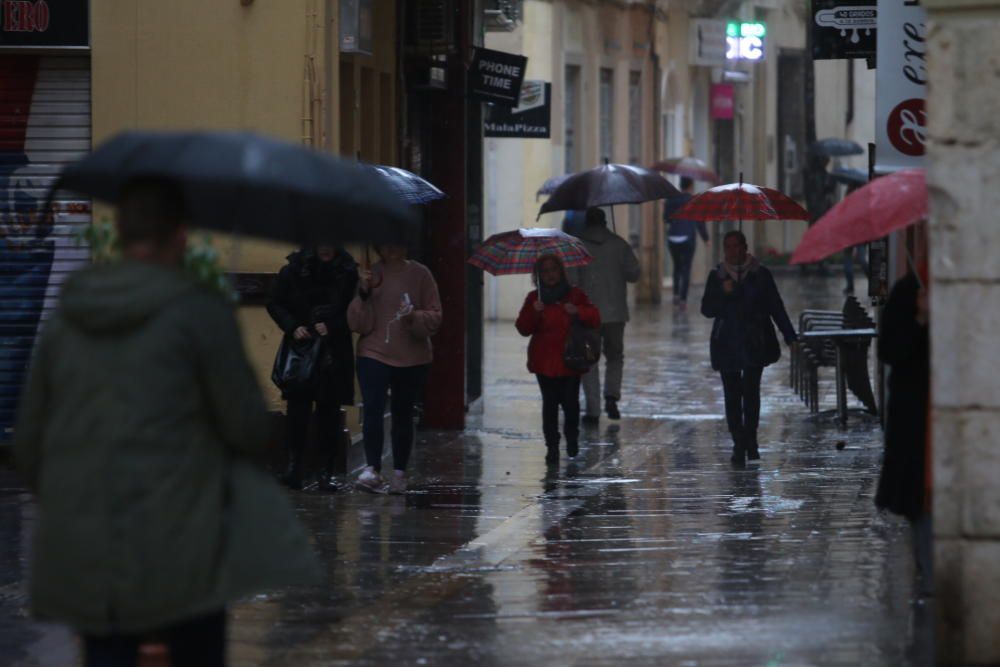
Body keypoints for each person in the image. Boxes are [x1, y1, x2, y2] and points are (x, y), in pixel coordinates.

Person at [12, 179, 319, 667]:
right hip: (184, 548)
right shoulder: (199, 312)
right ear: (179, 236)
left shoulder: (68, 318)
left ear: (116, 234)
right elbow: (245, 427)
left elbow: (28, 445)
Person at [348, 244, 442, 494]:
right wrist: (363, 293)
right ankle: (372, 469)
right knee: (373, 409)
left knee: (402, 413)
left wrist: (413, 317)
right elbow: (358, 323)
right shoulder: (370, 275)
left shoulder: (421, 275)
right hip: (373, 353)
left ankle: (399, 472)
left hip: (411, 357)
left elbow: (435, 317)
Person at [701, 230, 797, 466]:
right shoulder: (718, 276)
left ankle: (750, 441)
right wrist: (723, 294)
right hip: (727, 343)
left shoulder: (760, 274)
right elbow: (707, 309)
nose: (733, 252)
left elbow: (776, 306)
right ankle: (739, 443)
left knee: (751, 394)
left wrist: (790, 336)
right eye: (728, 247)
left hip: (755, 341)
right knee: (732, 396)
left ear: (745, 247)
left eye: (737, 246)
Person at [268, 243, 358, 490]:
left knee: (329, 412)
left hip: (332, 351)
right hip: (302, 349)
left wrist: (334, 325)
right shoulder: (293, 270)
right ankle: (294, 468)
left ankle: (325, 472)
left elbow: (356, 310)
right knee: (298, 411)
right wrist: (292, 326)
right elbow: (274, 303)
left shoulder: (348, 271)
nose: (325, 246)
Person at [875, 230, 931, 596]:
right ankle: (929, 570)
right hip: (914, 411)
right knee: (920, 495)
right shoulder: (905, 293)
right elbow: (890, 352)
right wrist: (919, 322)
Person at [516, 254, 601, 464]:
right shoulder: (534, 299)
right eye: (544, 271)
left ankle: (572, 438)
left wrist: (578, 311)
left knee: (571, 404)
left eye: (553, 270)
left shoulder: (575, 295)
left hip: (570, 360)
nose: (550, 275)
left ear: (561, 272)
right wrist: (534, 313)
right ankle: (552, 446)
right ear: (538, 275)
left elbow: (595, 317)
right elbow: (523, 328)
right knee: (550, 405)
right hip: (544, 362)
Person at [572, 207, 640, 424]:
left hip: (588, 315)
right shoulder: (619, 244)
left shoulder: (577, 247)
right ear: (604, 223)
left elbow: (572, 281)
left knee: (589, 361)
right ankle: (612, 396)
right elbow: (634, 274)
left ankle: (593, 410)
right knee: (615, 357)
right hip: (616, 314)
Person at [663, 176, 710, 309]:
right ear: (690, 186)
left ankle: (675, 294)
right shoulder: (693, 200)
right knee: (686, 268)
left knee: (677, 266)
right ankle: (683, 300)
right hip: (688, 237)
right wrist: (706, 238)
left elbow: (666, 219)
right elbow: (700, 221)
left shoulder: (670, 199)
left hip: (672, 237)